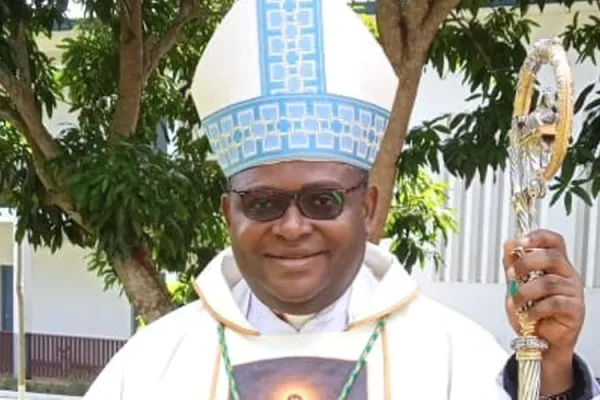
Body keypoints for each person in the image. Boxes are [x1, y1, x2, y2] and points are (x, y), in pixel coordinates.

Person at [82, 0, 599, 399]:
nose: (291, 227)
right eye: (262, 203)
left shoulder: (451, 356)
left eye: (323, 200)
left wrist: (552, 374)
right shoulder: (153, 367)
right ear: (228, 213)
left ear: (368, 207)